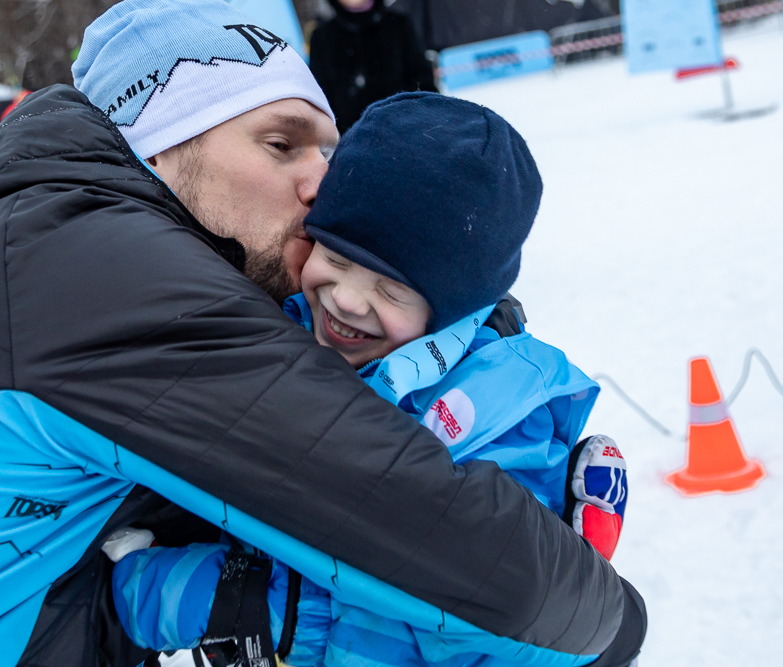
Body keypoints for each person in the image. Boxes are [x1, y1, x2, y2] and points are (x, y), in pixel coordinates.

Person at [0, 2, 641, 666]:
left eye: (327, 152)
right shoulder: (109, 278)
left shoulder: (34, 239)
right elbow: (480, 560)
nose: (321, 185)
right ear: (159, 145)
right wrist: (611, 616)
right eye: (281, 144)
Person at [106, 93, 633, 667]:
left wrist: (183, 596)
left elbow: (462, 614)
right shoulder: (278, 332)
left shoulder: (498, 413)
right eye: (334, 256)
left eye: (391, 289)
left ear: (453, 309)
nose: (347, 300)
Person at [310, 0, 437, 133]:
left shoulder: (398, 24)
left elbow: (422, 80)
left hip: (407, 129)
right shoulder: (322, 37)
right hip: (352, 140)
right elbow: (321, 97)